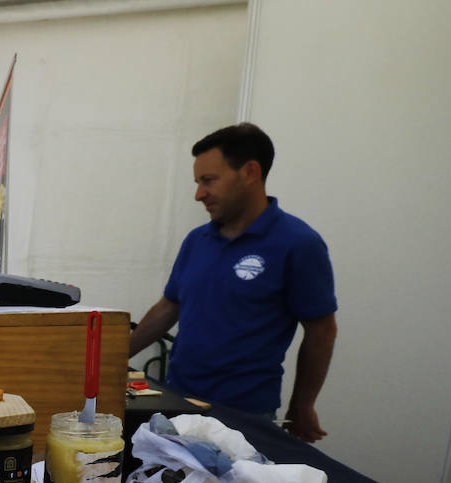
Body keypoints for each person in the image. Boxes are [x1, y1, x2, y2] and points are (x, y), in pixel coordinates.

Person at [130, 123, 337, 442]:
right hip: (178, 403)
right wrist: (114, 358)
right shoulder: (197, 240)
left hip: (245, 417)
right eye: (198, 183)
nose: (199, 194)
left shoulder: (298, 244)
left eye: (208, 180)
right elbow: (169, 307)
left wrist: (302, 405)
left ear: (250, 172)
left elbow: (321, 331)